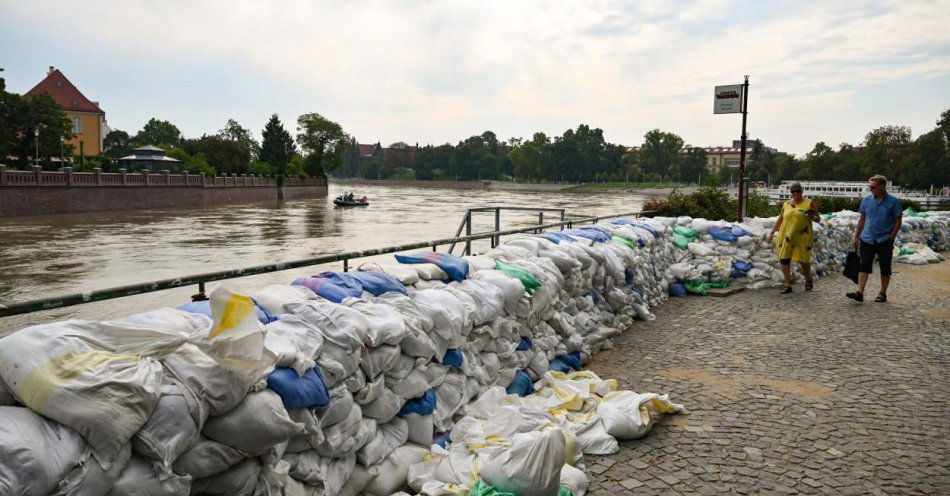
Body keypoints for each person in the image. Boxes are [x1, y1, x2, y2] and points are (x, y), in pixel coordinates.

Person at [847, 175, 902, 303]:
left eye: (873, 187)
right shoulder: (866, 201)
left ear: (882, 186)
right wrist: (856, 237)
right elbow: (862, 220)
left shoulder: (894, 202)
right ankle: (859, 292)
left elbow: (898, 221)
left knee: (885, 267)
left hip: (884, 239)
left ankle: (883, 293)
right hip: (867, 238)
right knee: (864, 265)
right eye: (869, 187)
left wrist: (891, 237)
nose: (871, 189)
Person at [768, 182, 819, 293]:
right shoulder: (786, 204)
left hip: (802, 236)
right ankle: (788, 285)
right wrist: (772, 232)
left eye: (797, 190)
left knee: (803, 260)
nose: (795, 193)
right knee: (784, 259)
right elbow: (780, 219)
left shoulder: (809, 203)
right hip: (787, 236)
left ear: (802, 191)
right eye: (793, 191)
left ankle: (808, 277)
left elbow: (818, 218)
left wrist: (812, 217)